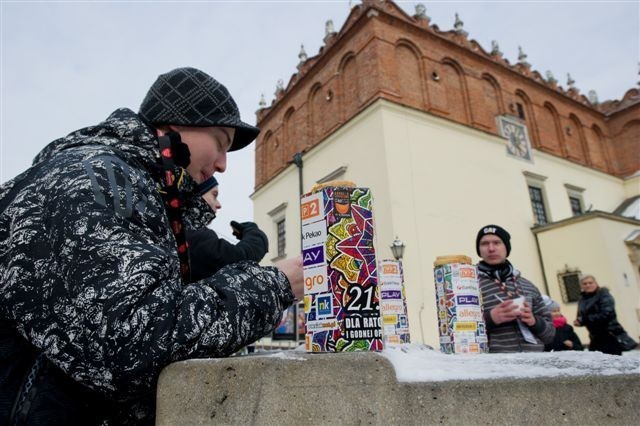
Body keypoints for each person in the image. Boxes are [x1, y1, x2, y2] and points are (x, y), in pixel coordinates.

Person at [0, 67, 303, 425]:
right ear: (174, 124)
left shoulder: (128, 184)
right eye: (220, 141)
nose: (222, 164)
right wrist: (275, 284)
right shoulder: (94, 179)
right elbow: (135, 338)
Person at [475, 224, 555, 352]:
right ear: (479, 250)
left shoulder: (528, 286)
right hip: (494, 366)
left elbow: (550, 335)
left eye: (497, 242)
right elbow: (458, 333)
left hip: (535, 364)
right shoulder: (469, 286)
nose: (491, 248)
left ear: (506, 247)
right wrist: (490, 319)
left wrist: (534, 321)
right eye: (484, 244)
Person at [188, 175, 269, 281]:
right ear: (196, 195)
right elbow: (241, 258)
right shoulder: (194, 234)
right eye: (214, 195)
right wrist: (253, 232)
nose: (219, 204)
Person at [573, 275, 631, 355]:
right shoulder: (582, 299)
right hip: (594, 337)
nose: (588, 285)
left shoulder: (604, 295)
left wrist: (585, 320)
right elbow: (581, 315)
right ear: (581, 286)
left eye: (590, 283)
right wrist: (579, 321)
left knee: (613, 362)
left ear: (596, 283)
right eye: (585, 284)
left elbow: (606, 314)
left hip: (610, 334)